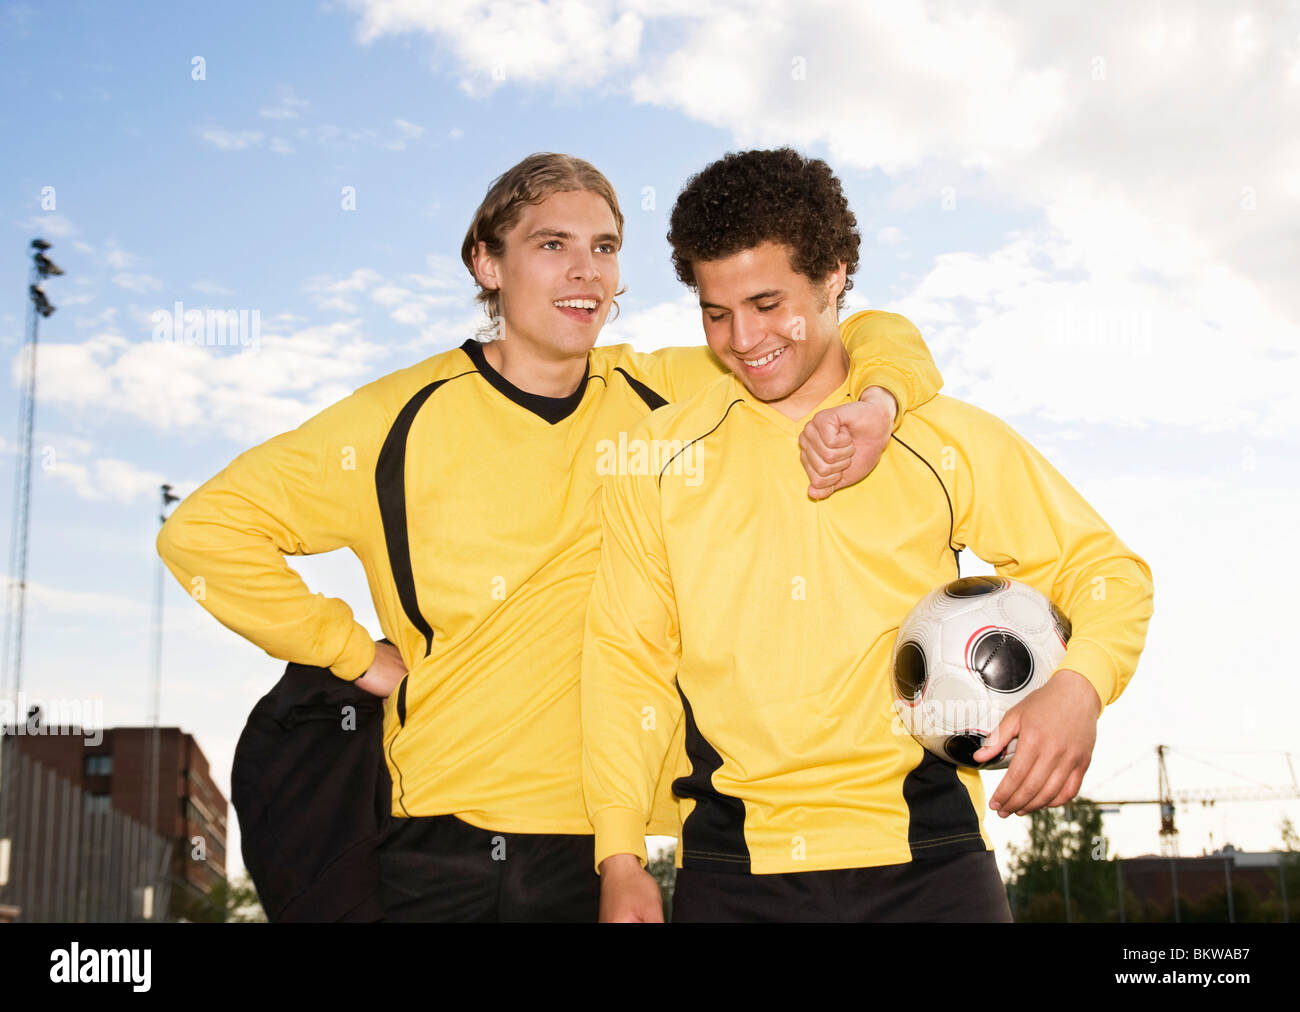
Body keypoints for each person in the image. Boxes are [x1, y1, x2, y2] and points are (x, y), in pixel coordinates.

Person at [156, 152, 945, 921]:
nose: (586, 271)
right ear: (486, 264)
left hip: (613, 848)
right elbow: (202, 534)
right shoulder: (393, 418)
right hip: (444, 838)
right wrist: (350, 651)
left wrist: (878, 402)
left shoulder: (669, 390)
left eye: (603, 247)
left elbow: (857, 330)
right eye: (551, 244)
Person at [583, 147, 1155, 923]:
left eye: (766, 303)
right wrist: (619, 856)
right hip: (733, 864)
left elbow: (1103, 570)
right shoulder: (658, 458)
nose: (744, 338)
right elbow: (627, 665)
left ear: (833, 277)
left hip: (932, 860)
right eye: (716, 313)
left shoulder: (933, 433)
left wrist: (1078, 687)